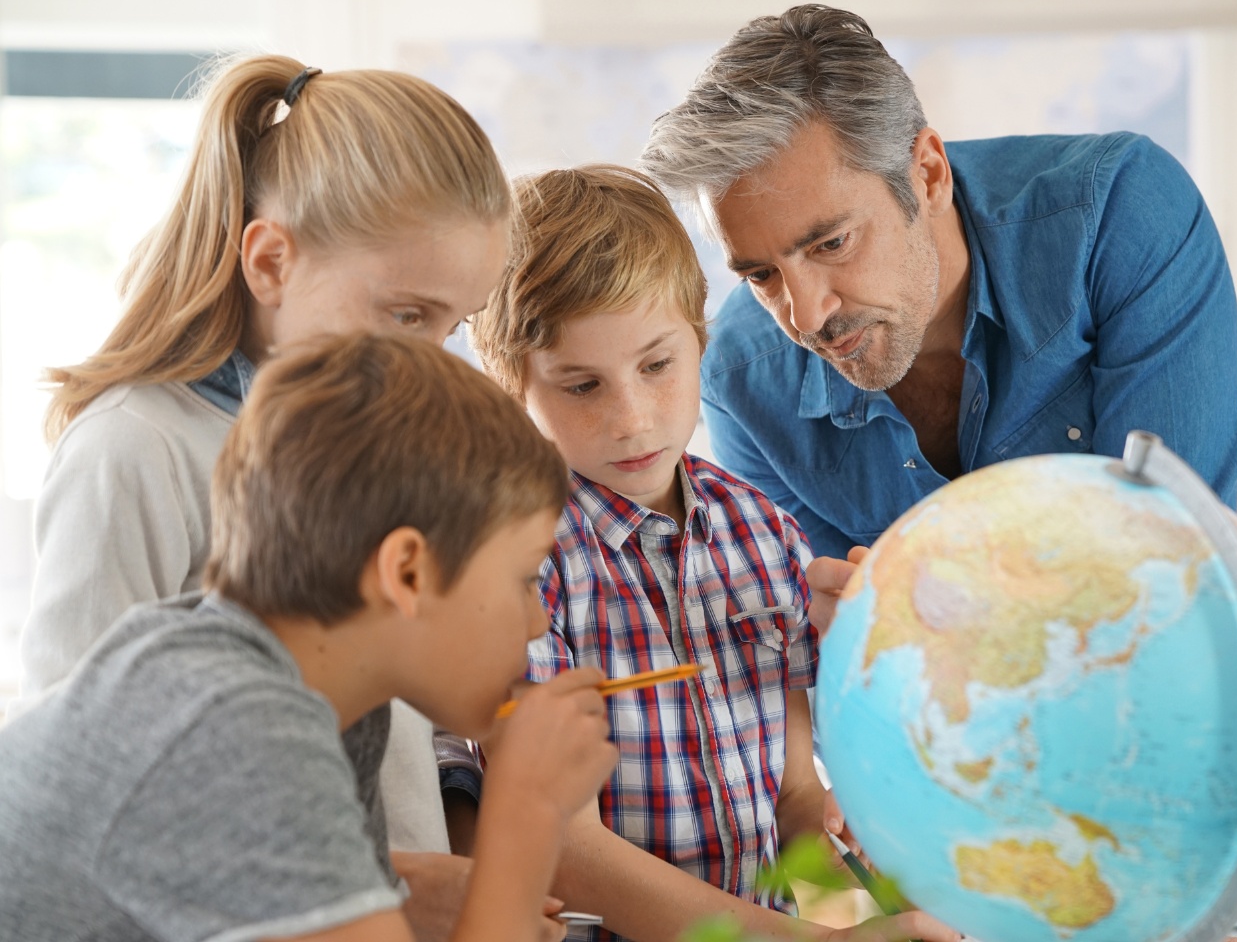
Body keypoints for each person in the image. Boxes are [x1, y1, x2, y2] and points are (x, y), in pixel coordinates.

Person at [15, 55, 509, 930]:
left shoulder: (374, 445)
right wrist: (384, 884)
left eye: (454, 325)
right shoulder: (134, 450)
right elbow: (113, 790)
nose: (433, 359)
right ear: (271, 260)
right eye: (406, 316)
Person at [470, 165, 960, 942]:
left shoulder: (765, 536)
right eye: (581, 387)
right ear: (509, 388)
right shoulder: (517, 564)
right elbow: (565, 850)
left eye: (657, 366)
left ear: (700, 340)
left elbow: (796, 805)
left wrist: (858, 922)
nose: (632, 419)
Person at [639, 4, 1237, 627]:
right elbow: (856, 648)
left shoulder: (1120, 216)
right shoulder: (741, 380)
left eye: (831, 244)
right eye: (761, 275)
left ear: (927, 174)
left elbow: (1174, 564)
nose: (807, 317)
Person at [0, 332, 619, 942]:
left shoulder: (321, 704)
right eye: (523, 578)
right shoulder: (238, 729)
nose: (537, 620)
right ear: (407, 572)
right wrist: (527, 820)